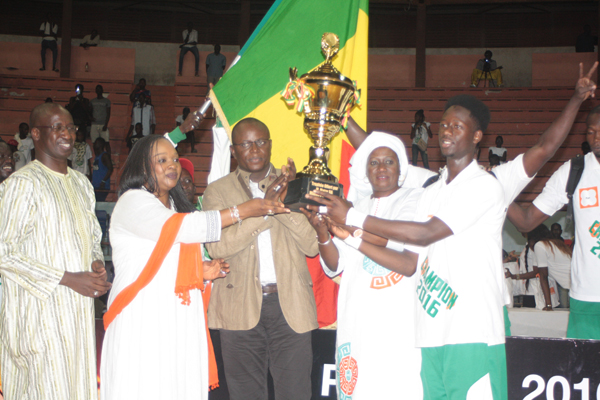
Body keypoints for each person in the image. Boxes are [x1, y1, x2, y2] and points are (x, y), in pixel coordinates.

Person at [307, 63, 598, 398]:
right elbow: (380, 154)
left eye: (456, 126)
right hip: (430, 330)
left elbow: (544, 148)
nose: (446, 131)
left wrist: (576, 99)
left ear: (477, 136)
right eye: (443, 124)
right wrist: (336, 113)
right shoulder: (430, 187)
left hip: (471, 327)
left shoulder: (489, 184)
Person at [100, 134, 288, 400]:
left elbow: (170, 261)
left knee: (179, 385)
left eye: (175, 160)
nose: (173, 165)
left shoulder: (176, 206)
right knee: (145, 385)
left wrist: (202, 271)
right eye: (162, 160)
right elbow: (184, 229)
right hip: (143, 316)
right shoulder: (133, 201)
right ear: (142, 167)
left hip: (179, 316)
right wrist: (242, 211)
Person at [0, 103, 111, 399]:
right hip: (38, 316)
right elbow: (4, 252)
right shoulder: (22, 184)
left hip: (76, 314)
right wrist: (68, 278)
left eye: (71, 127)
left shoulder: (81, 184)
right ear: (35, 134)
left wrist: (97, 265)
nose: (67, 134)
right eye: (57, 127)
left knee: (76, 386)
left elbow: (92, 238)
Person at [203, 118, 318, 400]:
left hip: (289, 306)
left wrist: (282, 202)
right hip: (237, 307)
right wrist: (265, 210)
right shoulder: (217, 191)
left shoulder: (295, 184)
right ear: (233, 151)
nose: (254, 149)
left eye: (260, 142)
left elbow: (312, 245)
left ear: (270, 145)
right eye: (245, 143)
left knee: (296, 393)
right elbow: (218, 248)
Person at [303, 131, 423, 399]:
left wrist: (350, 230)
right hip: (356, 318)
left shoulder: (415, 199)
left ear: (400, 168)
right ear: (365, 171)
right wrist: (323, 232)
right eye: (374, 162)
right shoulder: (358, 206)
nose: (381, 168)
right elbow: (335, 265)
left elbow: (394, 244)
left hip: (396, 319)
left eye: (388, 162)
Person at [507, 103, 600, 340]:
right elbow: (526, 222)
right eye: (591, 131)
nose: (596, 137)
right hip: (588, 297)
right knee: (586, 372)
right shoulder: (575, 172)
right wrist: (497, 191)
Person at [92, 137, 113, 202]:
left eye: (96, 142)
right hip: (95, 185)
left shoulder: (104, 155)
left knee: (99, 204)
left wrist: (103, 181)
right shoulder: (97, 156)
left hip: (102, 186)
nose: (95, 144)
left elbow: (110, 169)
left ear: (101, 144)